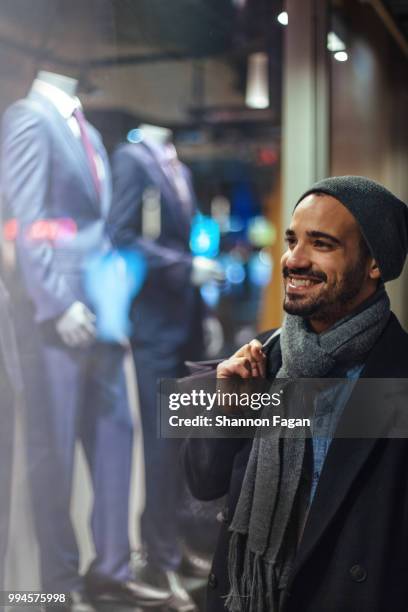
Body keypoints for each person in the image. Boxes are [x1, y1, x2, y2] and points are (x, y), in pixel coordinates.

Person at [184, 176, 408, 612]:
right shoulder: (260, 359)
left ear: (374, 263)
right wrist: (227, 407)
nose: (294, 259)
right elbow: (202, 480)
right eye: (292, 240)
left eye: (320, 244)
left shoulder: (397, 376)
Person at [0, 72, 170, 610]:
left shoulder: (88, 131)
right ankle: (60, 584)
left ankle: (113, 569)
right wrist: (54, 303)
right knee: (54, 454)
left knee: (117, 437)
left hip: (101, 314)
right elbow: (27, 221)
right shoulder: (29, 118)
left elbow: (98, 229)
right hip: (57, 318)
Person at [109, 126, 223, 611]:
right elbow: (121, 235)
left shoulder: (180, 166)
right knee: (160, 447)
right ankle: (157, 557)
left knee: (184, 441)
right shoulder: (132, 160)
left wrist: (207, 310)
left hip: (186, 321)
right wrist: (184, 268)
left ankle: (174, 545)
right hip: (154, 326)